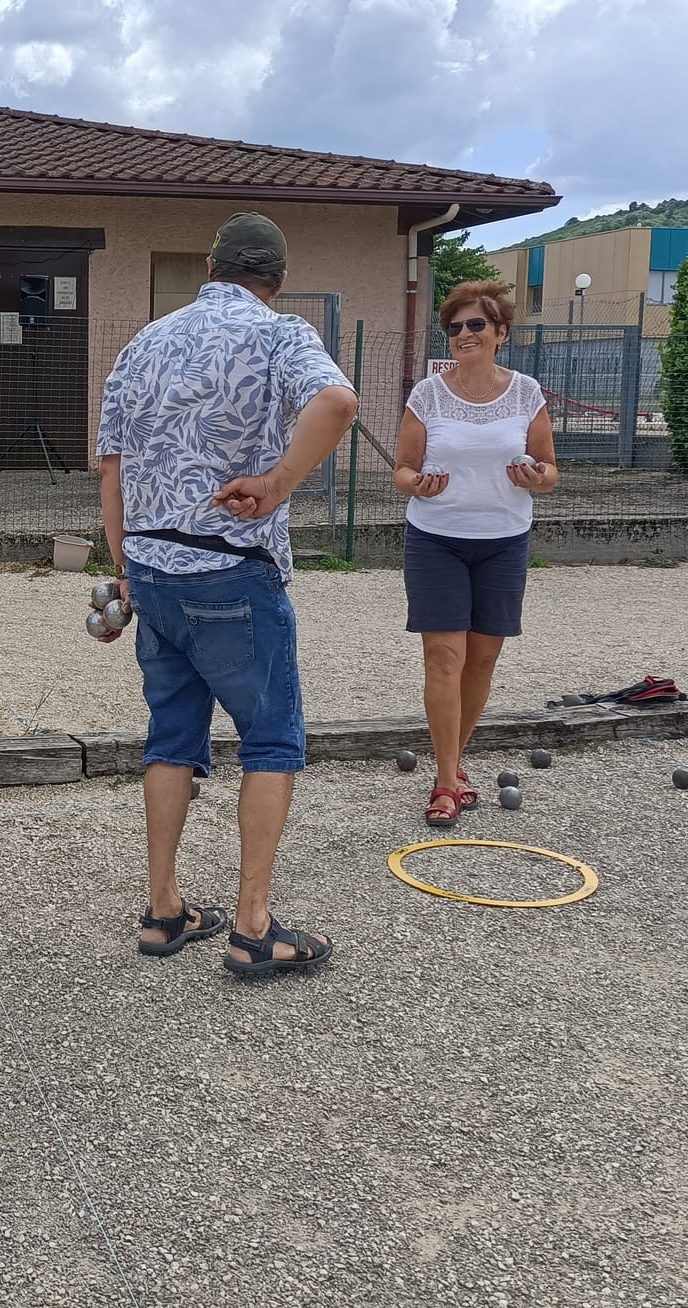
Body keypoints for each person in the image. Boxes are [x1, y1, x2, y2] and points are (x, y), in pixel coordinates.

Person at [97, 211, 358, 979]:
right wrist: (276, 484)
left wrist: (126, 566)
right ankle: (252, 927)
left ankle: (163, 909)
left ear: (208, 267)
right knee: (271, 740)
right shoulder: (279, 335)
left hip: (151, 570)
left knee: (170, 736)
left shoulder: (143, 343)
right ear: (274, 278)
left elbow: (111, 466)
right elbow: (337, 403)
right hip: (231, 569)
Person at [393, 280, 558, 829]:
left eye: (475, 325)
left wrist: (536, 478)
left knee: (482, 659)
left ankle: (454, 761)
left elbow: (551, 470)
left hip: (504, 540)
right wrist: (417, 485)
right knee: (444, 656)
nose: (464, 334)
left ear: (500, 333)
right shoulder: (428, 394)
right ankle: (445, 781)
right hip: (436, 538)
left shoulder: (526, 393)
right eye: (455, 327)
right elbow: (402, 470)